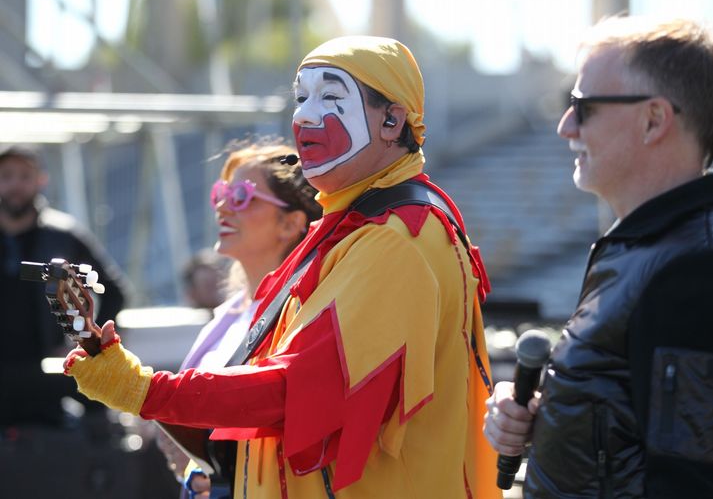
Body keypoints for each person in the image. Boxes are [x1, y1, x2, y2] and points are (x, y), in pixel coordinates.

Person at [63, 36, 500, 498]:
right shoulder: (356, 227)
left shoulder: (396, 238)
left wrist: (143, 391)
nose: (305, 115)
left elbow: (293, 392)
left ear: (392, 120)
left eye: (331, 97)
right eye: (302, 96)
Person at [483, 16, 713, 498]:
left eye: (582, 106)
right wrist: (551, 419)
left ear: (654, 119)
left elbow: (691, 485)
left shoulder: (695, 268)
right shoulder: (652, 245)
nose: (565, 126)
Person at [156, 139, 321, 497]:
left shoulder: (304, 312)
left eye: (242, 197)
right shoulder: (228, 315)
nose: (221, 207)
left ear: (290, 223)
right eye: (222, 194)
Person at [0, 145, 129, 428]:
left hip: (49, 372)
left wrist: (87, 341)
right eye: (6, 176)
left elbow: (113, 290)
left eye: (24, 176)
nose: (15, 185)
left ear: (40, 180)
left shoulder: (64, 236)